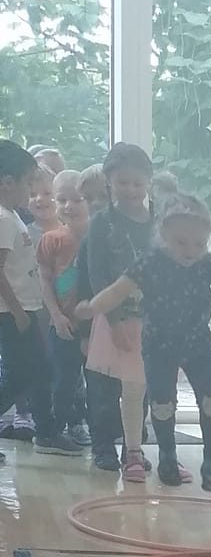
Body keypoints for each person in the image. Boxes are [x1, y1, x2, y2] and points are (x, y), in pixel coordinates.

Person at [79, 192, 211, 493]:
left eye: (199, 244)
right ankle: (168, 459)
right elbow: (117, 291)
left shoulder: (207, 264)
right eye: (182, 242)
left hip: (197, 345)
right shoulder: (149, 263)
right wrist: (92, 307)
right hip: (159, 346)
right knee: (163, 404)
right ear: (164, 235)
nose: (191, 251)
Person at [0, 141, 85, 459]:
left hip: (24, 310)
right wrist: (18, 312)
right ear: (8, 183)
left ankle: (46, 432)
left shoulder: (11, 216)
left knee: (39, 370)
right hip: (12, 313)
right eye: (27, 183)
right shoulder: (3, 219)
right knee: (22, 373)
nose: (30, 191)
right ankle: (47, 432)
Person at [83, 142, 155, 481]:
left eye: (138, 183)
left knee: (140, 387)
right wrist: (112, 320)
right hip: (114, 315)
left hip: (151, 319)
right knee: (105, 388)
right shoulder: (102, 222)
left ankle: (133, 448)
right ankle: (103, 446)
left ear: (148, 182)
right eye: (123, 182)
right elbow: (96, 272)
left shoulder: (159, 221)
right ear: (109, 182)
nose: (131, 189)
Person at [37, 170, 91, 447]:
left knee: (95, 381)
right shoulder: (51, 239)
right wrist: (57, 316)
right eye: (62, 200)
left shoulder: (100, 238)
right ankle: (58, 428)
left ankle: (84, 424)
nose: (69, 206)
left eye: (77, 200)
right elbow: (45, 281)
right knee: (64, 379)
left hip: (95, 324)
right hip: (63, 324)